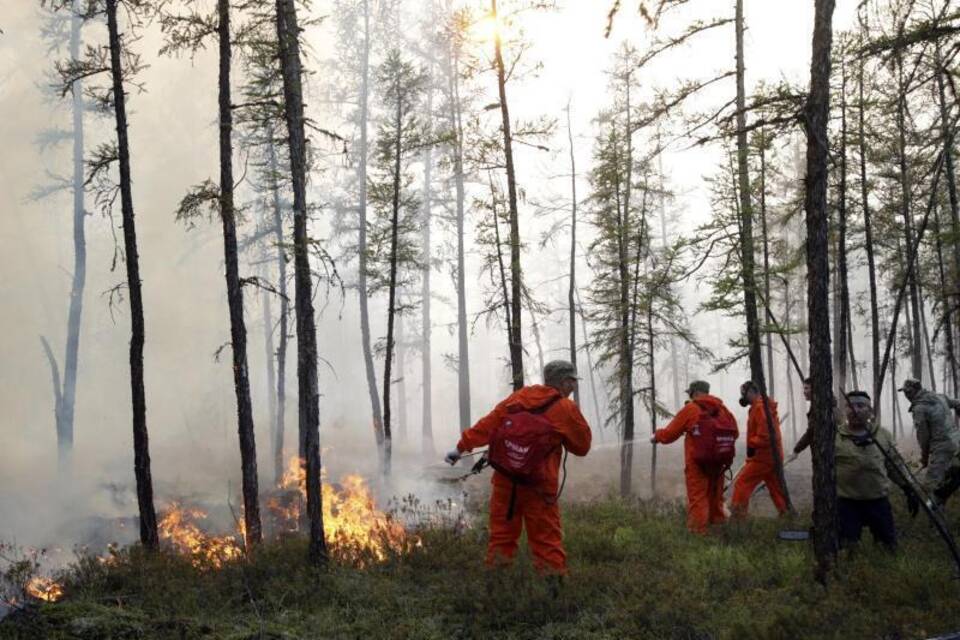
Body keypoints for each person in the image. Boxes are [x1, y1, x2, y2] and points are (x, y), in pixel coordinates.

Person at [444, 360, 591, 575]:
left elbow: (489, 424)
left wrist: (460, 449)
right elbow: (582, 446)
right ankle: (552, 595)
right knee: (546, 541)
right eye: (572, 382)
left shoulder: (519, 397)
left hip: (506, 482)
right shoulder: (565, 408)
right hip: (539, 487)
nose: (573, 387)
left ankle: (497, 591)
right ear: (563, 381)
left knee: (501, 538)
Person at [650, 380, 739, 534]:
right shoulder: (722, 409)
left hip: (697, 464)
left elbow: (669, 434)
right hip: (718, 463)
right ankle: (718, 528)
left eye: (690, 394)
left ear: (695, 393)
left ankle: (698, 535)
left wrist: (656, 436)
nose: (690, 397)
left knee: (698, 498)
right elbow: (735, 432)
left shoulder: (691, 409)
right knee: (715, 497)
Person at [835, 390, 913, 550]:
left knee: (887, 547)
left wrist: (908, 489)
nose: (855, 410)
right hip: (846, 503)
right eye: (850, 406)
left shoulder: (882, 435)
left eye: (861, 405)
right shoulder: (835, 436)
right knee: (848, 548)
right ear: (845, 411)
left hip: (878, 501)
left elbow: (894, 465)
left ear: (870, 411)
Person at [730, 381, 788, 517]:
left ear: (751, 392)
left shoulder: (760, 408)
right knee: (775, 488)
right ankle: (786, 514)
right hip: (771, 456)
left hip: (764, 457)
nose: (742, 397)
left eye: (743, 394)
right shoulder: (760, 407)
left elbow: (766, 435)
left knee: (741, 484)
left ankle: (738, 520)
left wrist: (752, 445)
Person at [899, 378, 960, 497]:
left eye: (909, 392)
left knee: (930, 485)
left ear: (917, 390)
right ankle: (949, 485)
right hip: (957, 443)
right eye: (905, 393)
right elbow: (957, 403)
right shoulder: (939, 397)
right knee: (949, 474)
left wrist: (924, 457)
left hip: (942, 449)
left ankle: (934, 509)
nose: (907, 396)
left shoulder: (919, 409)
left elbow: (923, 438)